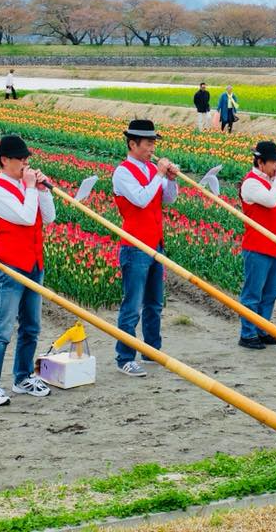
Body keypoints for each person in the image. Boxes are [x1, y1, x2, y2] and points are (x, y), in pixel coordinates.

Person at [0, 135, 56, 406]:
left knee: (32, 326)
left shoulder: (28, 186)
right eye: (20, 159)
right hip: (9, 265)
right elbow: (23, 216)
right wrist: (31, 187)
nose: (25, 163)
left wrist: (43, 190)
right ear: (4, 160)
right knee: (3, 328)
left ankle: (22, 377)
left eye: (26, 159)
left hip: (34, 262)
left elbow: (48, 217)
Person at [112, 119, 179, 377]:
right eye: (148, 143)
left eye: (154, 143)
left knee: (154, 302)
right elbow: (140, 199)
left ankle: (152, 349)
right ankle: (124, 357)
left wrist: (170, 180)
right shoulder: (123, 172)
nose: (153, 148)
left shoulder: (152, 169)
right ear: (132, 144)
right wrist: (160, 175)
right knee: (132, 305)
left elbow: (168, 199)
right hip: (135, 245)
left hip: (155, 243)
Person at [237, 141, 276, 349]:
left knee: (270, 292)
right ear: (260, 162)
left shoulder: (274, 181)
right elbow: (271, 200)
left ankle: (262, 329)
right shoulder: (251, 183)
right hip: (257, 246)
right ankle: (247, 334)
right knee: (253, 293)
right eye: (273, 162)